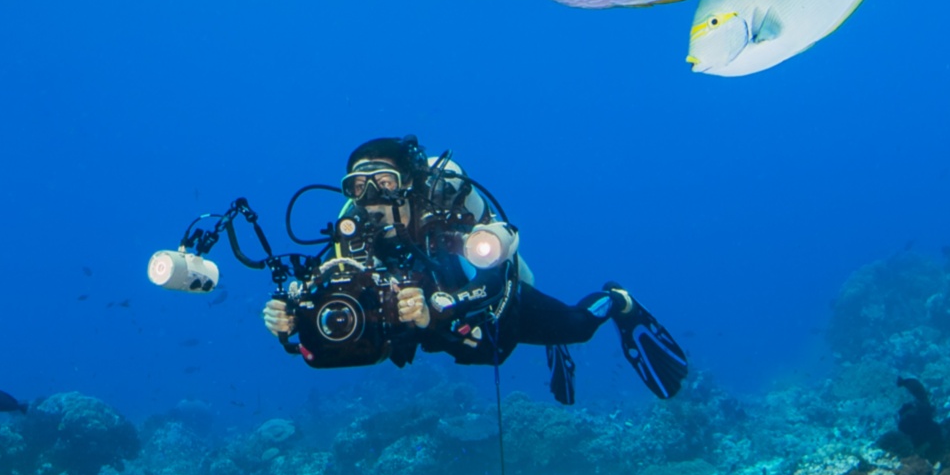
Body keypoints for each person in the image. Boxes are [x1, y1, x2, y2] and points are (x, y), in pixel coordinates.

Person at [260, 135, 689, 402]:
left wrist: (441, 308)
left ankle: (616, 301)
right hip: (421, 311)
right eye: (359, 185)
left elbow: (495, 272)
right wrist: (292, 319)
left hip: (483, 292)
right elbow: (336, 301)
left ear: (408, 180)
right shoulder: (351, 225)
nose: (371, 196)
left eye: (385, 182)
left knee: (569, 327)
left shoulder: (445, 201)